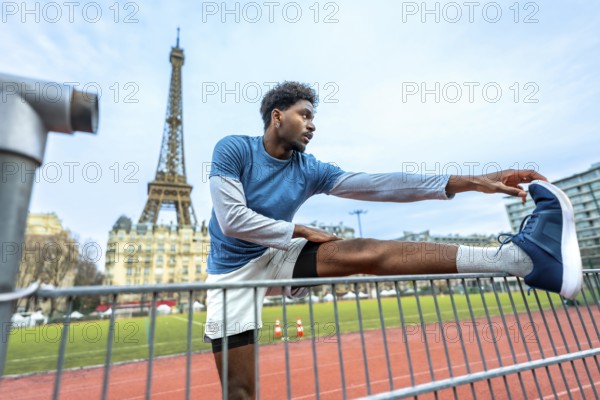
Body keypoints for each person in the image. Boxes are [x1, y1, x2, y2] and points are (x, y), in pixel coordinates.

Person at [203, 81, 582, 399]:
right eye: (305, 114)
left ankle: (516, 260)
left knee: (366, 250)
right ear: (277, 116)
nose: (312, 125)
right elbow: (232, 219)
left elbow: (380, 185)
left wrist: (471, 182)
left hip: (276, 253)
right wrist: (300, 230)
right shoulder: (234, 149)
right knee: (239, 394)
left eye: (314, 117)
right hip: (231, 276)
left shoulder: (309, 168)